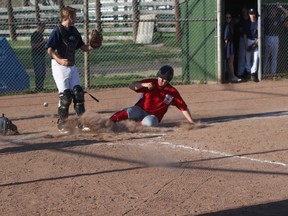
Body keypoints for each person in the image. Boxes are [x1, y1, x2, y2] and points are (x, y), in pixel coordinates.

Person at [46, 6, 96, 133]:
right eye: (74, 15)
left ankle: (82, 123)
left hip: (72, 67)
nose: (76, 18)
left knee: (78, 93)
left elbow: (83, 48)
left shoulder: (74, 31)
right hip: (59, 67)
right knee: (66, 96)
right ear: (69, 16)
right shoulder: (57, 31)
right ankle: (62, 124)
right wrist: (60, 60)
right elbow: (50, 49)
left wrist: (93, 46)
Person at [109, 65, 195, 127]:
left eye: (165, 80)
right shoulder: (150, 82)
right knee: (129, 111)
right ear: (157, 76)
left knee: (150, 122)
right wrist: (144, 85)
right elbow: (131, 86)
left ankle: (135, 126)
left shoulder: (172, 92)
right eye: (160, 78)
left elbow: (183, 108)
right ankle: (108, 123)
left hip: (153, 116)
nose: (162, 81)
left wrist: (191, 122)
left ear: (169, 80)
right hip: (140, 109)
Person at [223, 12, 241, 83]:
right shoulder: (227, 26)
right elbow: (226, 39)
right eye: (227, 17)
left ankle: (230, 76)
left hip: (230, 45)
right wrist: (225, 48)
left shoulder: (229, 25)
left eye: (229, 17)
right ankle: (233, 76)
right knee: (230, 62)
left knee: (229, 62)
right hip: (229, 46)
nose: (228, 19)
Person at [263, 6, 281, 76]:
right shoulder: (266, 19)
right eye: (272, 10)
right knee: (267, 55)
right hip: (268, 37)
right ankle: (265, 72)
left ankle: (273, 72)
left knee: (274, 56)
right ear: (270, 11)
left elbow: (287, 14)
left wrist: (281, 8)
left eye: (274, 10)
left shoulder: (278, 18)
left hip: (275, 37)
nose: (273, 11)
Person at [243, 8, 259, 82]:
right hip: (248, 40)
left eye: (253, 13)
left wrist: (255, 44)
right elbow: (245, 35)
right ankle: (248, 72)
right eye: (250, 14)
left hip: (256, 41)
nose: (252, 15)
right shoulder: (246, 23)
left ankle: (253, 73)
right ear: (249, 15)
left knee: (256, 58)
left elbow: (259, 36)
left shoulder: (258, 23)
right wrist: (246, 45)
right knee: (248, 58)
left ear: (255, 14)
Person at [31, 22, 47, 92]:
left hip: (42, 56)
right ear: (39, 27)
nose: (43, 29)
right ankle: (38, 88)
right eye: (42, 27)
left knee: (43, 72)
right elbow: (33, 46)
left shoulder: (41, 35)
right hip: (37, 56)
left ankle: (41, 87)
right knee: (38, 72)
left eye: (44, 28)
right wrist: (43, 42)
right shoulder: (34, 35)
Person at [237, 6, 250, 79]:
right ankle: (240, 73)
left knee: (249, 57)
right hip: (242, 39)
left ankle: (249, 72)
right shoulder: (241, 20)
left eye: (245, 10)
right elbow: (240, 30)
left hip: (250, 39)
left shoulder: (250, 19)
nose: (244, 12)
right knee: (242, 57)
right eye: (243, 11)